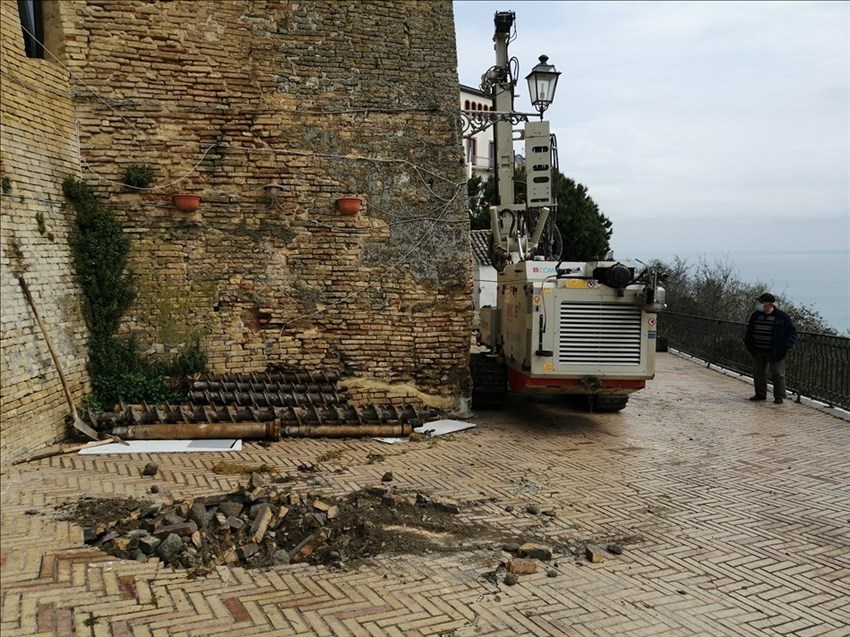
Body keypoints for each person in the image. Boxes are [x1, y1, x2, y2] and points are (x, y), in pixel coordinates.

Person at [744, 293, 797, 404]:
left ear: (768, 304)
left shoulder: (782, 317)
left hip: (775, 351)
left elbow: (792, 333)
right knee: (758, 373)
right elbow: (749, 332)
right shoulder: (755, 315)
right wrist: (750, 345)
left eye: (761, 302)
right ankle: (760, 394)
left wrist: (785, 347)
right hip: (758, 350)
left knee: (778, 374)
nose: (759, 305)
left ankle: (779, 396)